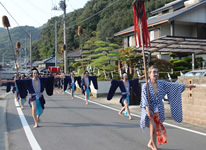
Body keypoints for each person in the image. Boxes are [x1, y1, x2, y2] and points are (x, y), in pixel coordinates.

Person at [140, 65, 196, 150]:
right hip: (150, 109)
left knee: (156, 127)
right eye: (154, 72)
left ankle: (150, 143)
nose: (156, 74)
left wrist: (186, 86)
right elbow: (144, 100)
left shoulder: (162, 83)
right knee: (153, 128)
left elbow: (173, 85)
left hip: (159, 108)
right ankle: (154, 147)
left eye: (157, 72)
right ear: (149, 74)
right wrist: (148, 111)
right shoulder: (145, 86)